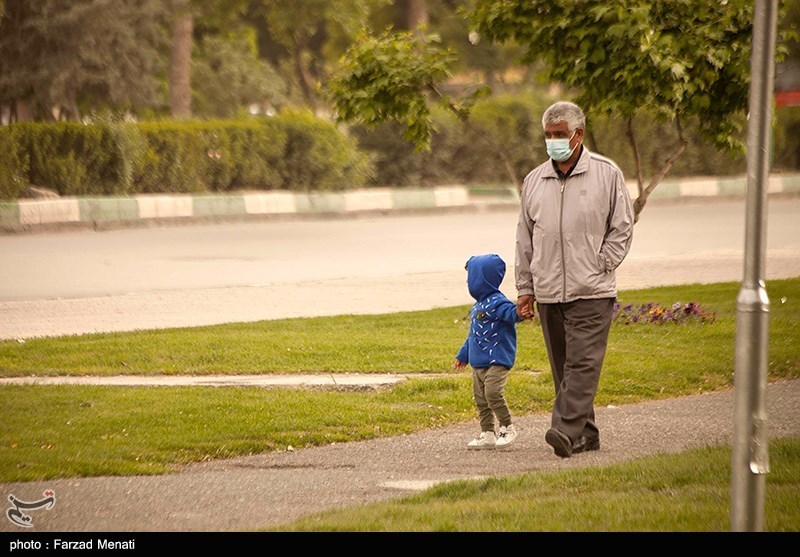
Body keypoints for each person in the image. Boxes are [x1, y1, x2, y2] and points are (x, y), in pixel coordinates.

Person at [515, 101, 634, 458]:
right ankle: (587, 434)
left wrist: (602, 263)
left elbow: (622, 227)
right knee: (563, 368)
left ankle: (564, 430)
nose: (552, 141)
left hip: (592, 288)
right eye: (548, 135)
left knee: (582, 363)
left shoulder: (606, 174)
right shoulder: (535, 181)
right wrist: (526, 287)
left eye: (559, 135)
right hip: (549, 289)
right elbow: (525, 238)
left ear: (578, 135)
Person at [454, 253, 526, 450]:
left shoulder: (497, 302)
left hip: (497, 359)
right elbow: (473, 336)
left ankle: (507, 427)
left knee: (493, 393)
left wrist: (520, 312)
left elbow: (512, 314)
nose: (469, 282)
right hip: (478, 363)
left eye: (472, 277)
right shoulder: (477, 307)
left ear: (483, 278)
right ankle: (487, 433)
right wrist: (463, 355)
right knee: (481, 399)